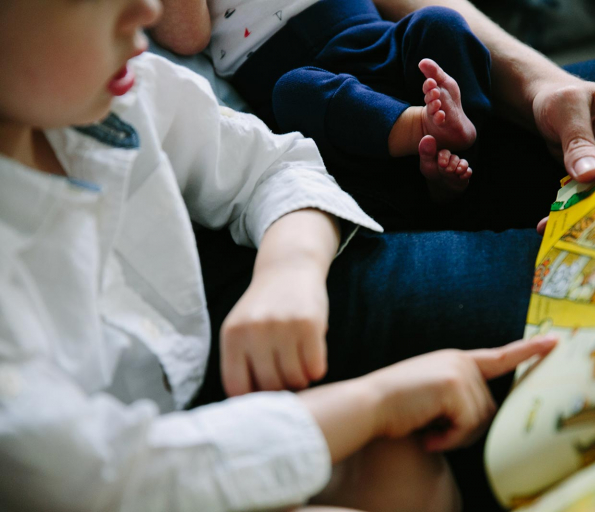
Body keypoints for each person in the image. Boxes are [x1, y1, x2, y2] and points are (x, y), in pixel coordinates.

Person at [0, 0, 561, 511]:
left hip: (233, 366)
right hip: (150, 461)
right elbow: (94, 475)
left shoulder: (131, 90)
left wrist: (289, 271)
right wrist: (375, 403)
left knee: (402, 474)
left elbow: (274, 164)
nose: (147, 9)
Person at [152, 0, 496, 204]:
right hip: (306, 85)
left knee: (439, 23)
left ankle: (458, 161)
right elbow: (187, 36)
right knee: (295, 91)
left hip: (381, 44)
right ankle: (422, 130)